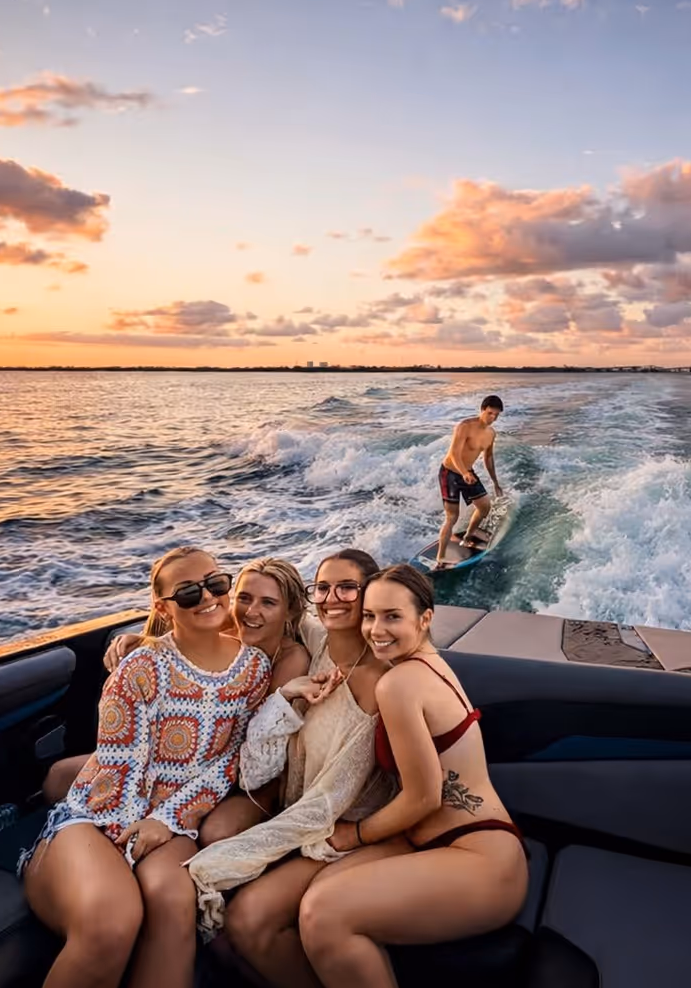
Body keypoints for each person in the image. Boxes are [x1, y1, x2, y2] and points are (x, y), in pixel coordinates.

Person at [18, 546, 273, 988]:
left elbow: (233, 759)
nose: (208, 598)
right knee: (111, 919)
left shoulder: (253, 668)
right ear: (162, 607)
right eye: (189, 593)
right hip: (102, 814)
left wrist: (167, 819)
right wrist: (129, 844)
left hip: (176, 819)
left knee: (173, 899)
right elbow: (119, 767)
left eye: (215, 584)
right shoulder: (139, 667)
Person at [295, 563, 528, 987]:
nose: (376, 629)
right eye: (369, 615)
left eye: (392, 616)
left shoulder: (399, 683)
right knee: (322, 885)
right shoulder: (427, 663)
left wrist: (357, 833)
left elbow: (425, 798)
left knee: (322, 914)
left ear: (425, 618)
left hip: (481, 859)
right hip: (440, 842)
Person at [188, 548, 396, 988]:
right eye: (323, 587)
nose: (333, 598)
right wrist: (146, 639)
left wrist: (215, 864)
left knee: (245, 919)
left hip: (344, 829)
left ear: (370, 597)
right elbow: (255, 612)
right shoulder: (319, 638)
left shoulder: (382, 684)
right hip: (299, 812)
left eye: (348, 588)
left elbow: (324, 807)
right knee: (223, 941)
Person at [41, 557, 316, 846]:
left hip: (248, 772)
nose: (251, 611)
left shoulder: (289, 659)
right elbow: (179, 637)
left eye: (268, 603)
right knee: (58, 777)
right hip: (194, 755)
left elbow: (255, 738)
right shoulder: (229, 627)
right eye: (244, 598)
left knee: (216, 833)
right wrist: (142, 640)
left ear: (291, 610)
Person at [433, 395, 504, 571]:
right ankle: (440, 558)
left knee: (484, 506)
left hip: (467, 473)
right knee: (452, 517)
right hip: (450, 472)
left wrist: (495, 482)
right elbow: (454, 454)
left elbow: (488, 458)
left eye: (496, 415)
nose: (492, 418)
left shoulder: (490, 434)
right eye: (489, 414)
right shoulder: (464, 427)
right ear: (482, 410)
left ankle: (469, 535)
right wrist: (464, 472)